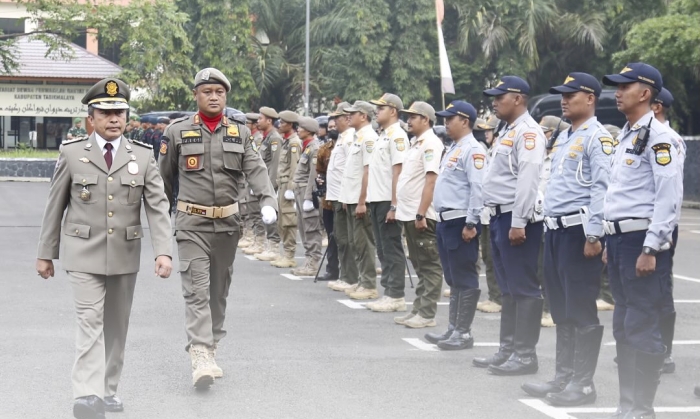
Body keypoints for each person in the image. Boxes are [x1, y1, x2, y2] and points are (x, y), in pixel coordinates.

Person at [36, 78, 173, 419]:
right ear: (91, 118)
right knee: (90, 321)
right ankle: (86, 394)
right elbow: (55, 206)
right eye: (106, 112)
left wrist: (163, 251)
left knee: (116, 325)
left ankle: (108, 390)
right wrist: (45, 253)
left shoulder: (141, 156)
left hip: (125, 254)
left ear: (127, 116)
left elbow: (157, 206)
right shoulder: (72, 152)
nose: (114, 119)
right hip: (82, 252)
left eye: (120, 112)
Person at [159, 68, 278, 389]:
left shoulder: (240, 133)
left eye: (219, 92)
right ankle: (199, 353)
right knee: (196, 289)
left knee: (218, 291)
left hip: (227, 225)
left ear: (225, 96)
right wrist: (159, 224)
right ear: (196, 95)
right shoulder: (177, 132)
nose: (213, 96)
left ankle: (211, 346)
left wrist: (268, 200)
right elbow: (163, 182)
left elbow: (256, 169)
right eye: (207, 91)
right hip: (191, 224)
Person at [522, 72, 612, 406]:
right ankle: (563, 378)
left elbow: (603, 188)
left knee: (580, 307)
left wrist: (594, 234)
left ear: (590, 99)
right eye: (562, 94)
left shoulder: (597, 138)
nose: (564, 100)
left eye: (571, 94)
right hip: (557, 230)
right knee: (560, 308)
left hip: (579, 233)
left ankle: (583, 384)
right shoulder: (566, 135)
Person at [601, 62, 680, 419]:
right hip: (619, 242)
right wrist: (607, 239)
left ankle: (642, 407)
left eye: (625, 86)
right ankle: (627, 404)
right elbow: (618, 194)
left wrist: (652, 246)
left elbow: (668, 196)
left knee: (642, 323)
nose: (617, 92)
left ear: (646, 93)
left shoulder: (661, 137)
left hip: (641, 243)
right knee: (623, 324)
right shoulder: (627, 134)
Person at [473, 76, 546, 376]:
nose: (494, 101)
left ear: (517, 98)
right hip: (500, 217)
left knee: (524, 288)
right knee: (509, 288)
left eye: (499, 96)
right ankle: (509, 349)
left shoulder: (528, 132)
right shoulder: (508, 130)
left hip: (519, 220)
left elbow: (528, 180)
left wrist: (518, 221)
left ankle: (526, 355)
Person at [425, 100, 485, 349]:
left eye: (451, 119)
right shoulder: (454, 148)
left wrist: (472, 221)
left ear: (465, 121)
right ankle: (453, 329)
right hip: (446, 221)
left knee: (465, 275)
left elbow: (477, 187)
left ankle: (463, 332)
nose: (446, 123)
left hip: (461, 221)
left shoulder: (473, 149)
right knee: (453, 277)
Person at [393, 101, 445, 329]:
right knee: (419, 263)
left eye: (413, 116)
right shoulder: (416, 143)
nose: (409, 120)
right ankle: (418, 309)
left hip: (421, 214)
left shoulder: (431, 143)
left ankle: (427, 313)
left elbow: (431, 180)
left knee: (429, 265)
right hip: (409, 213)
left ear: (426, 119)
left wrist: (421, 213)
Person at [651, 87, 686, 375]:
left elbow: (668, 192)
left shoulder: (667, 140)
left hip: (661, 226)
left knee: (661, 288)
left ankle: (663, 352)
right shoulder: (642, 135)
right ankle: (648, 346)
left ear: (657, 106)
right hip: (642, 226)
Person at [364, 93, 410, 312]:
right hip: (376, 199)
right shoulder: (382, 135)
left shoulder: (398, 136)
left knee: (391, 248)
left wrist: (394, 204)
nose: (376, 111)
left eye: (381, 108)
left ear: (393, 111)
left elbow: (398, 172)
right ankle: (388, 291)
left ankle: (396, 295)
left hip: (386, 201)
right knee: (382, 249)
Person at [339, 101, 379, 300]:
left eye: (352, 113)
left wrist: (362, 201)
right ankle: (362, 281)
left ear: (363, 116)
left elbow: (368, 171)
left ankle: (369, 283)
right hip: (352, 198)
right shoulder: (357, 137)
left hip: (360, 200)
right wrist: (347, 198)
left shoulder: (369, 138)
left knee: (364, 243)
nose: (348, 117)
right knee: (355, 242)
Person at [537, 115, 571, 328]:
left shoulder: (561, 156)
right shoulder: (540, 156)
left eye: (545, 131)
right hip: (538, 219)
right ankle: (545, 307)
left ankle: (551, 309)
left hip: (557, 221)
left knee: (555, 270)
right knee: (541, 268)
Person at [326, 102, 359, 292]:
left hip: (344, 195)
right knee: (340, 237)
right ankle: (346, 275)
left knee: (347, 239)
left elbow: (350, 170)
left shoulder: (349, 139)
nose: (334, 122)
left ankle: (350, 277)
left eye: (337, 118)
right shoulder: (342, 138)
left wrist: (346, 195)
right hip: (337, 195)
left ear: (347, 119)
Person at [287, 116, 324, 275]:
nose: (298, 130)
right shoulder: (307, 147)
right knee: (303, 228)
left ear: (309, 130)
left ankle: (313, 262)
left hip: (307, 193)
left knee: (311, 227)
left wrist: (309, 198)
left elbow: (313, 176)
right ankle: (309, 260)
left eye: (301, 128)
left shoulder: (314, 148)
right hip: (300, 192)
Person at [474, 116, 502, 312]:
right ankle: (494, 295)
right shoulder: (490, 150)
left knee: (494, 257)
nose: (486, 133)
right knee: (487, 256)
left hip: (495, 212)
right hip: (486, 213)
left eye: (490, 130)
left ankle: (498, 297)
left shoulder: (498, 149)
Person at [270, 111, 303, 269]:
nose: (280, 124)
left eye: (283, 122)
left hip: (287, 186)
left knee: (289, 220)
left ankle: (290, 255)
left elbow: (295, 168)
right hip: (282, 185)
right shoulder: (286, 141)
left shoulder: (294, 143)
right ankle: (286, 253)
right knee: (282, 220)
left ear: (290, 124)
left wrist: (291, 188)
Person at [253, 107, 284, 261]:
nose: (258, 121)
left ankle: (273, 247)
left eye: (260, 118)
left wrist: (270, 186)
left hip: (271, 183)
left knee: (272, 216)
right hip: (264, 182)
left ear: (269, 121)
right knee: (265, 216)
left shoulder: (275, 139)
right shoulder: (267, 138)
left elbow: (275, 165)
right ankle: (268, 244)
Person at [596, 124, 621, 312]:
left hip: (611, 215)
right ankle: (605, 294)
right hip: (605, 214)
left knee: (607, 259)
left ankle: (608, 296)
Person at [315, 116, 340, 281]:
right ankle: (332, 270)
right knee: (331, 236)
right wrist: (320, 180)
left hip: (343, 199)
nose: (331, 128)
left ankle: (350, 271)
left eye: (334, 125)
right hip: (328, 200)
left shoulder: (348, 145)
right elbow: (320, 171)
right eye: (329, 126)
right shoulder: (324, 149)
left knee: (345, 238)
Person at [238, 113, 266, 253]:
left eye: (247, 123)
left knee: (254, 211)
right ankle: (251, 236)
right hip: (245, 180)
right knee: (247, 210)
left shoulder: (258, 139)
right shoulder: (249, 138)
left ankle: (258, 240)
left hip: (254, 179)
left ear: (254, 124)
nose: (244, 125)